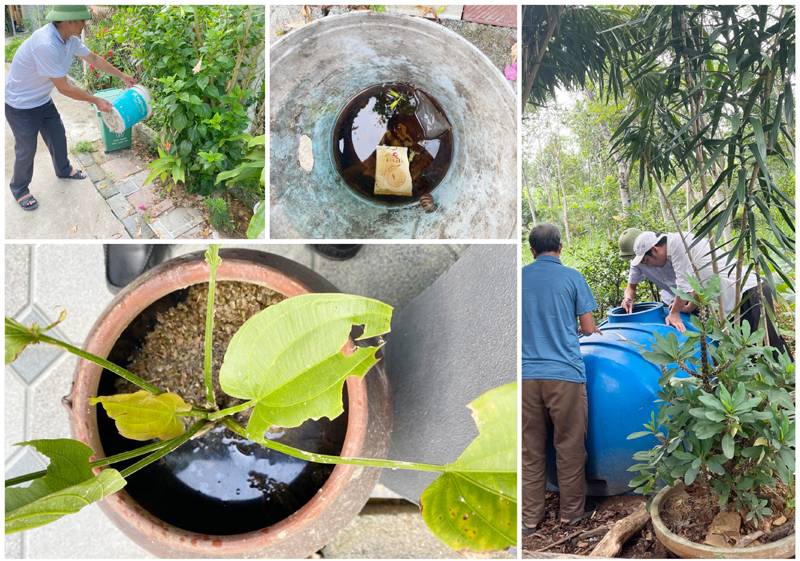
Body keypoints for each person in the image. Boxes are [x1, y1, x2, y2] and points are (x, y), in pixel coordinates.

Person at [5, 5, 137, 211]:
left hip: (41, 100)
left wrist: (122, 75)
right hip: (20, 104)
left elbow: (93, 59)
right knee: (26, 148)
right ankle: (20, 189)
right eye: (83, 21)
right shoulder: (45, 44)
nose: (85, 25)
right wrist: (97, 100)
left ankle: (63, 169)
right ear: (70, 21)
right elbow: (64, 88)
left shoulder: (69, 40)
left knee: (57, 134)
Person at [521, 223, 602, 535]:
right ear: (560, 247)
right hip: (565, 375)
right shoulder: (572, 277)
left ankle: (530, 519)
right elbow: (589, 327)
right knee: (568, 445)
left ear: (532, 251)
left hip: (526, 377)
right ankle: (571, 513)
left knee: (530, 448)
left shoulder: (521, 278)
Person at [621, 230, 789, 355]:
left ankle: (791, 387)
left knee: (768, 341)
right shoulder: (674, 249)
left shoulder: (677, 243)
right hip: (734, 298)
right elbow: (696, 285)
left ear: (655, 249)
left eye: (648, 260)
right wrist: (687, 307)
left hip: (748, 289)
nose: (649, 266)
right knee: (747, 347)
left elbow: (683, 285)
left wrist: (675, 313)